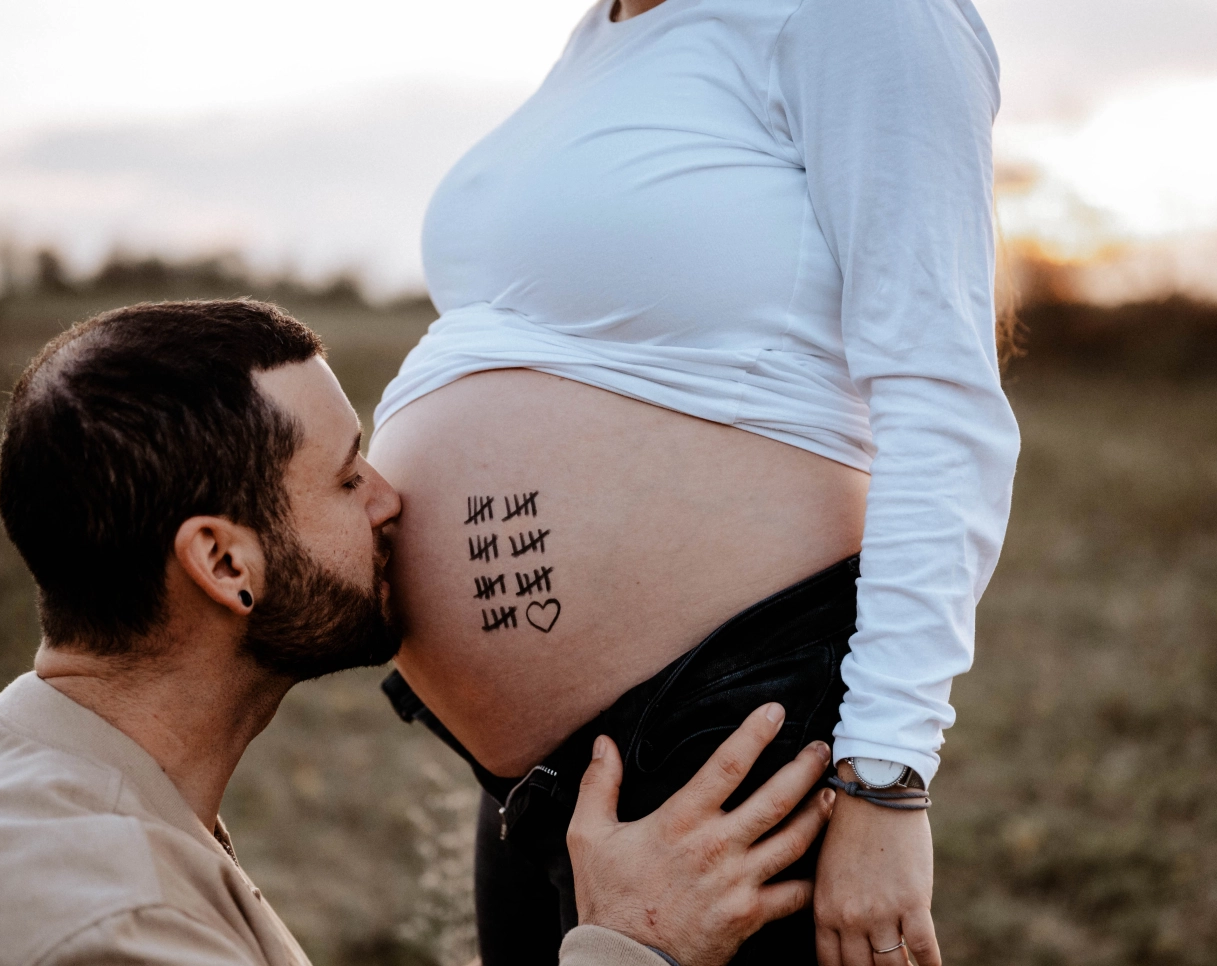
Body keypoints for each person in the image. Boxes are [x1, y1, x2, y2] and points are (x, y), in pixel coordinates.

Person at [0, 300, 833, 966]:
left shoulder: (23, 763)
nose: (389, 499)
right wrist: (634, 944)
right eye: (346, 476)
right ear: (224, 565)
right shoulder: (104, 921)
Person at [365, 0, 1022, 963]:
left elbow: (942, 396)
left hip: (733, 733)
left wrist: (883, 778)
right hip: (536, 781)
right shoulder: (601, 38)